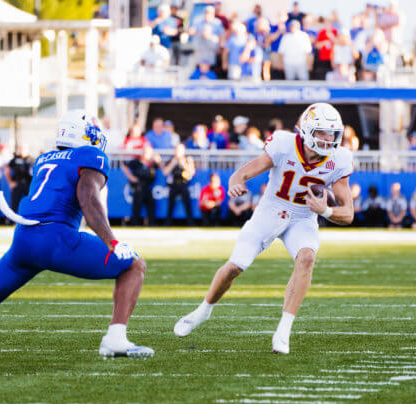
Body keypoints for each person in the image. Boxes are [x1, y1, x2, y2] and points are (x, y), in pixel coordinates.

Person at [0, 109, 152, 371]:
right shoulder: (90, 155)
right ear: (82, 133)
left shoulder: (44, 158)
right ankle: (115, 338)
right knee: (134, 266)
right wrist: (112, 242)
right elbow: (89, 201)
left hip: (24, 240)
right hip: (57, 240)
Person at [173, 103, 354, 354]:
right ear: (308, 130)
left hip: (303, 217)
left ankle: (284, 330)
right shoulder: (284, 143)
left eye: (332, 134)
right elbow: (242, 173)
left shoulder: (340, 159)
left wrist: (325, 211)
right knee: (235, 267)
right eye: (322, 133)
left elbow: (349, 213)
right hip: (271, 210)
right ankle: (203, 311)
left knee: (307, 257)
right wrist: (235, 183)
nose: (329, 139)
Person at [122, 145, 160, 226]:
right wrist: (131, 177)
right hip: (139, 187)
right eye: (147, 152)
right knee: (137, 206)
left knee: (151, 205)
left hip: (148, 187)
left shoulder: (152, 164)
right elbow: (124, 166)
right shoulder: (136, 162)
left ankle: (151, 223)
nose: (148, 155)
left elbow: (162, 169)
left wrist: (158, 161)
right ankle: (135, 224)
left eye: (150, 153)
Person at [163, 143, 195, 226]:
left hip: (184, 184)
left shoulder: (188, 159)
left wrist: (183, 163)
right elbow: (165, 172)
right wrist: (173, 162)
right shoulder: (171, 160)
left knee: (187, 203)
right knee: (170, 204)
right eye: (177, 150)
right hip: (174, 184)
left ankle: (190, 221)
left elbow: (192, 172)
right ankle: (168, 222)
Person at [4, 146, 33, 214]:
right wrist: (10, 182)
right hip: (18, 183)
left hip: (28, 184)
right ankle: (12, 221)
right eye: (20, 149)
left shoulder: (29, 159)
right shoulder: (15, 159)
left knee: (30, 202)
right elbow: (6, 171)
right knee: (15, 204)